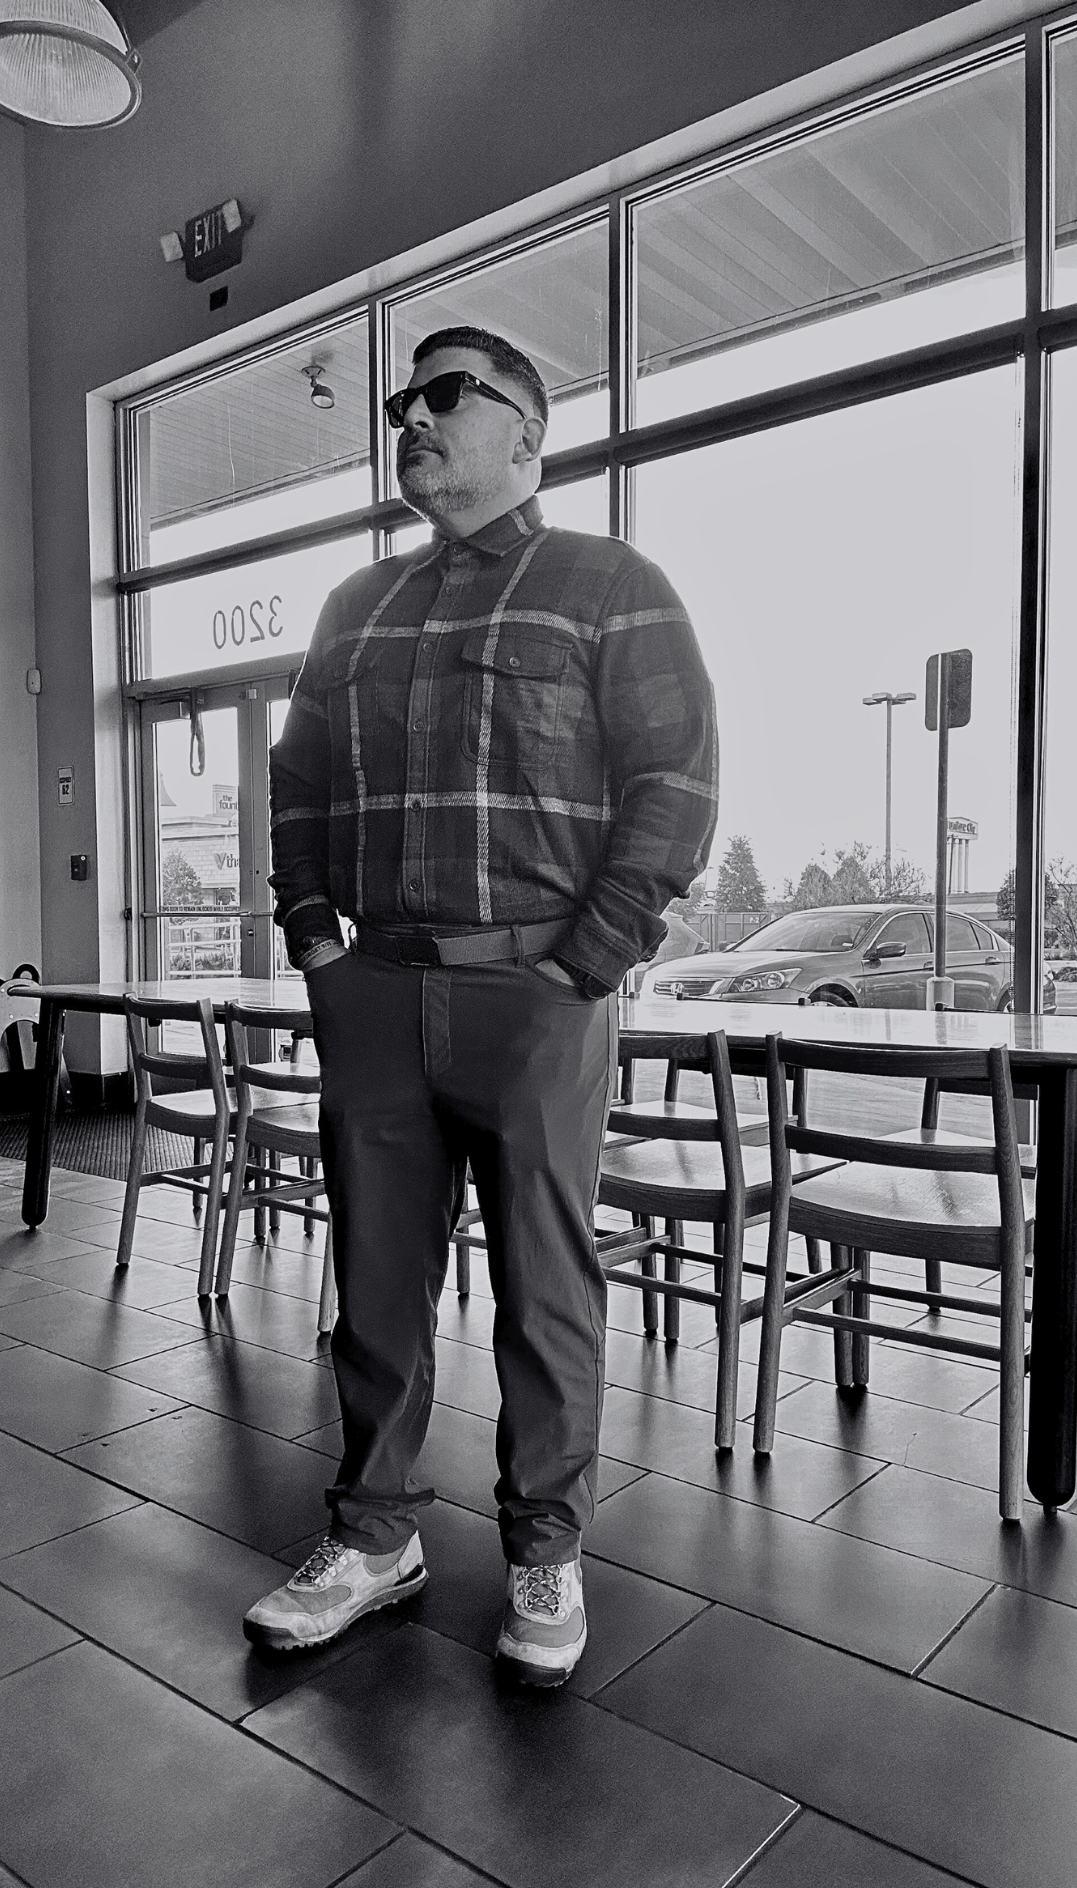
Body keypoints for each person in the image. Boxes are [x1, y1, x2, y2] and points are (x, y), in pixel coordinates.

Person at [243, 326, 718, 1685]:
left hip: (538, 993)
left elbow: (675, 778)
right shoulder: (354, 606)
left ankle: (545, 1547)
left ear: (528, 430)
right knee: (378, 1284)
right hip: (375, 989)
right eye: (403, 401)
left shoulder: (612, 586)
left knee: (544, 1288)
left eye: (446, 393)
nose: (413, 417)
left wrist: (592, 956)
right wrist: (313, 932)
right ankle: (377, 1534)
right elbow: (300, 781)